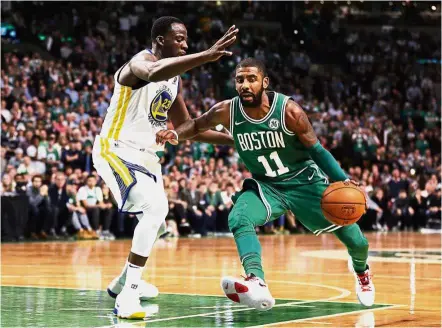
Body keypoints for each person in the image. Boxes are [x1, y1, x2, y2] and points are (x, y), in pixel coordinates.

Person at [157, 57, 375, 311]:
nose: (245, 85)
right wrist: (175, 133)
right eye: (240, 80)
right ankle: (256, 280)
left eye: (251, 79)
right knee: (239, 217)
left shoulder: (289, 112)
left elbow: (317, 150)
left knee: (357, 243)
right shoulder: (226, 111)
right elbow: (195, 125)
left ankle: (362, 271)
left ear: (265, 82)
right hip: (267, 186)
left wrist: (343, 179)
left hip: (305, 184)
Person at [92, 16, 237, 319]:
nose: (185, 45)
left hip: (148, 156)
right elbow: (154, 70)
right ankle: (129, 295)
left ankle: (123, 282)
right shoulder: (139, 63)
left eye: (186, 40)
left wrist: (235, 139)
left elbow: (188, 127)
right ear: (160, 39)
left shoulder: (175, 80)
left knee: (158, 222)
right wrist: (206, 56)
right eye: (179, 39)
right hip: (116, 149)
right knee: (156, 209)